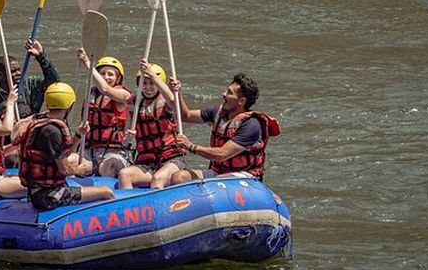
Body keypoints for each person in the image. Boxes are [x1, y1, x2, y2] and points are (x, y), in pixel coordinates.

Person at [16, 82, 114, 211]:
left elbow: (64, 154)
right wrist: (78, 170)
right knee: (106, 192)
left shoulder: (41, 123)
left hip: (37, 192)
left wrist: (78, 135)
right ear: (69, 106)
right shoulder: (53, 132)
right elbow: (64, 170)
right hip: (48, 197)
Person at [170, 72, 281, 183]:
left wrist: (191, 146)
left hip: (245, 177)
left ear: (241, 101)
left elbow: (221, 154)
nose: (224, 94)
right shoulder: (217, 112)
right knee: (179, 177)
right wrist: (178, 93)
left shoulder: (251, 125)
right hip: (218, 172)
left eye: (229, 93)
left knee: (217, 181)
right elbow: (185, 116)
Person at [117, 60, 186, 189]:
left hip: (171, 160)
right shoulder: (135, 105)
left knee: (157, 178)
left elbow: (173, 102)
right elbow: (125, 144)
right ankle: (129, 202)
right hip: (147, 163)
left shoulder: (166, 102)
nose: (148, 87)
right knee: (124, 174)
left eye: (152, 83)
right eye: (144, 83)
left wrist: (153, 75)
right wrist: (127, 139)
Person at [75, 51, 132, 177]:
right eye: (102, 73)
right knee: (71, 161)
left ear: (118, 78)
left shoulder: (124, 95)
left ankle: (109, 187)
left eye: (110, 74)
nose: (106, 77)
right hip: (89, 150)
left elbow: (105, 89)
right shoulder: (91, 94)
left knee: (107, 167)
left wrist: (87, 62)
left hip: (114, 152)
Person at [0, 38, 60, 119]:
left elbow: (55, 83)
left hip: (31, 124)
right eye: (13, 71)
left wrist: (41, 56)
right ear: (0, 75)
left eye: (19, 70)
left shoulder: (30, 85)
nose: (19, 73)